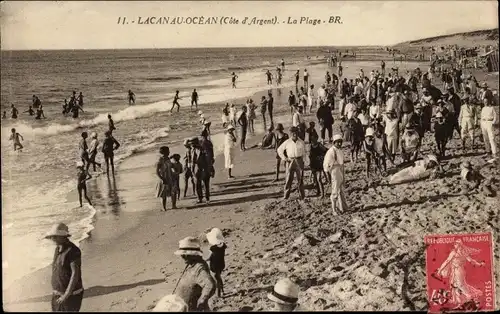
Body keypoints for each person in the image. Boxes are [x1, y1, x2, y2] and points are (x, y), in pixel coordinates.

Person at [44, 223, 84, 312]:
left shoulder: (73, 250)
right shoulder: (57, 249)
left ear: (63, 236)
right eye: (52, 236)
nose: (53, 238)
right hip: (57, 294)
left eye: (55, 236)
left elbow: (75, 274)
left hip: (71, 295)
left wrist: (66, 295)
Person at [173, 237, 216, 311]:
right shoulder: (191, 263)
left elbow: (210, 285)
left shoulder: (199, 268)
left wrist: (202, 301)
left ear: (195, 255)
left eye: (186, 254)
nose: (183, 256)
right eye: (182, 254)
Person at [277, 126, 306, 200]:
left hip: (299, 160)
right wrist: (284, 158)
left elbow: (304, 153)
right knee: (288, 179)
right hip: (290, 161)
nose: (294, 134)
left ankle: (302, 196)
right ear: (290, 133)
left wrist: (304, 161)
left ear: (298, 132)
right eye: (292, 132)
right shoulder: (287, 142)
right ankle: (286, 195)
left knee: (300, 179)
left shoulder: (301, 142)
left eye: (296, 132)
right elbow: (279, 150)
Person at [323, 134, 348, 215]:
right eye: (338, 142)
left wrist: (343, 175)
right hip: (334, 171)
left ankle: (343, 207)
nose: (340, 144)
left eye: (340, 142)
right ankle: (334, 210)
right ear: (334, 142)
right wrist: (328, 177)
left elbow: (342, 163)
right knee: (335, 191)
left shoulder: (339, 150)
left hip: (340, 170)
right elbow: (326, 166)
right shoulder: (331, 152)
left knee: (341, 190)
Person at [206, 228, 227, 298]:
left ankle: (219, 293)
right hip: (221, 264)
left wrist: (204, 260)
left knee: (216, 278)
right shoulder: (223, 246)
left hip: (215, 265)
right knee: (219, 277)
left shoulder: (213, 248)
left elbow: (209, 257)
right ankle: (222, 290)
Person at [192, 135, 213, 204]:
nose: (192, 145)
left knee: (205, 184)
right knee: (198, 184)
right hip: (199, 169)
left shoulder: (202, 150)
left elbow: (208, 160)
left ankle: (206, 198)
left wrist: (210, 168)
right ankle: (200, 198)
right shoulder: (195, 150)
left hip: (203, 168)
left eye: (193, 144)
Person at [156, 146, 176, 210]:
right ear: (164, 152)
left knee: (172, 191)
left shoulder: (167, 159)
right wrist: (162, 178)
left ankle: (173, 205)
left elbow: (170, 166)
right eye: (168, 151)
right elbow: (157, 171)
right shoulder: (160, 160)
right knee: (163, 193)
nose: (169, 152)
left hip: (169, 176)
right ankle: (164, 207)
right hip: (163, 178)